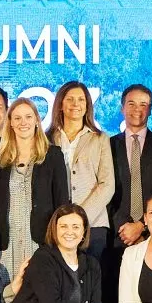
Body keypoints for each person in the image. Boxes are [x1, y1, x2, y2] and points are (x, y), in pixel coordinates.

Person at [0, 99, 71, 284]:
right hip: (8, 244)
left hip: (40, 240)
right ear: (10, 122)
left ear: (37, 120)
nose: (22, 122)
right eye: (17, 118)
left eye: (28, 117)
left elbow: (62, 204)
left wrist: (59, 243)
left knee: (39, 293)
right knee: (9, 296)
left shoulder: (53, 155)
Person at [50, 81, 116, 259]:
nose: (75, 104)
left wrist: (80, 217)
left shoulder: (100, 139)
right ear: (60, 105)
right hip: (57, 225)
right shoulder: (46, 138)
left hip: (93, 225)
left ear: (87, 105)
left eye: (80, 99)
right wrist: (63, 221)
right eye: (70, 99)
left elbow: (107, 184)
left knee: (92, 282)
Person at [110, 85, 152, 250]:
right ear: (122, 108)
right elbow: (106, 191)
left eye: (143, 104)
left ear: (150, 109)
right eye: (131, 104)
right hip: (118, 234)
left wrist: (141, 225)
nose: (137, 109)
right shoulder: (108, 145)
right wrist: (125, 228)